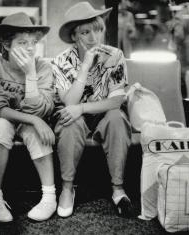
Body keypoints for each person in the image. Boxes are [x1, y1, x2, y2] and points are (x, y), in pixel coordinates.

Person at [51, 2, 133, 218]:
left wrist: (83, 107)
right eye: (85, 32)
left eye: (97, 30)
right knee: (69, 121)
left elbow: (116, 101)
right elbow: (69, 104)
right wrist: (85, 67)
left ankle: (118, 189)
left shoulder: (114, 55)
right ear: (74, 36)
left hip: (104, 115)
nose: (93, 37)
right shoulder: (61, 61)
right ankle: (67, 189)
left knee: (117, 118)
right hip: (73, 117)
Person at [0, 12, 56, 222]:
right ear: (6, 43)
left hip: (28, 121)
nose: (31, 48)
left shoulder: (42, 67)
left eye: (33, 42)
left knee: (36, 131)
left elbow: (40, 111)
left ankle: (49, 197)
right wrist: (35, 120)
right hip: (0, 120)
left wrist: (30, 75)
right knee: (1, 126)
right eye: (22, 42)